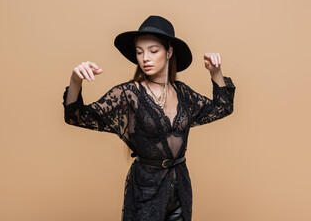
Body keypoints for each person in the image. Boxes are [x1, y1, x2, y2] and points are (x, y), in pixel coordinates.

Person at [62, 15, 236, 221]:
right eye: (139, 52)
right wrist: (75, 81)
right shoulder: (128, 94)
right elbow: (75, 117)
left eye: (153, 51)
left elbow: (222, 108)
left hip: (180, 187)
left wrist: (215, 72)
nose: (145, 58)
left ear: (169, 52)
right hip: (146, 190)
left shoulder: (182, 93)